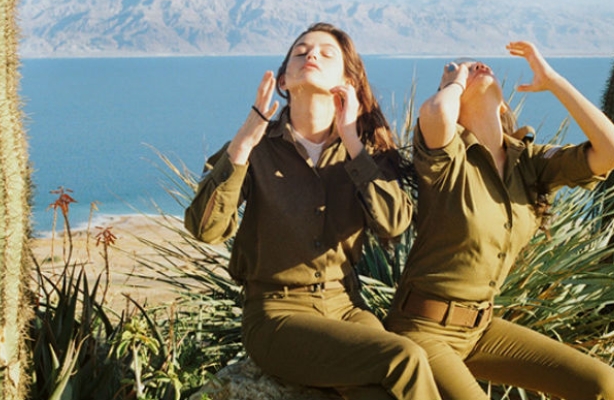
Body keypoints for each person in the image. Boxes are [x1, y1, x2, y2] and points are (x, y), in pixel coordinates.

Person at [185, 22, 441, 400]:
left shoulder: (364, 151)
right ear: (283, 81)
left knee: (383, 393)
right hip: (276, 315)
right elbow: (205, 229)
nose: (312, 55)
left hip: (347, 308)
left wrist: (352, 141)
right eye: (301, 52)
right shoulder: (255, 148)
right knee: (405, 357)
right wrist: (243, 142)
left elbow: (393, 224)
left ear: (348, 82)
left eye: (326, 53)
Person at [384, 41, 614, 400]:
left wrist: (553, 81)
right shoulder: (445, 159)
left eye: (480, 66)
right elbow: (435, 114)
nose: (475, 67)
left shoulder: (529, 162)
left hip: (481, 330)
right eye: (463, 69)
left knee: (606, 387)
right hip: (422, 329)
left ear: (504, 105)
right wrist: (455, 82)